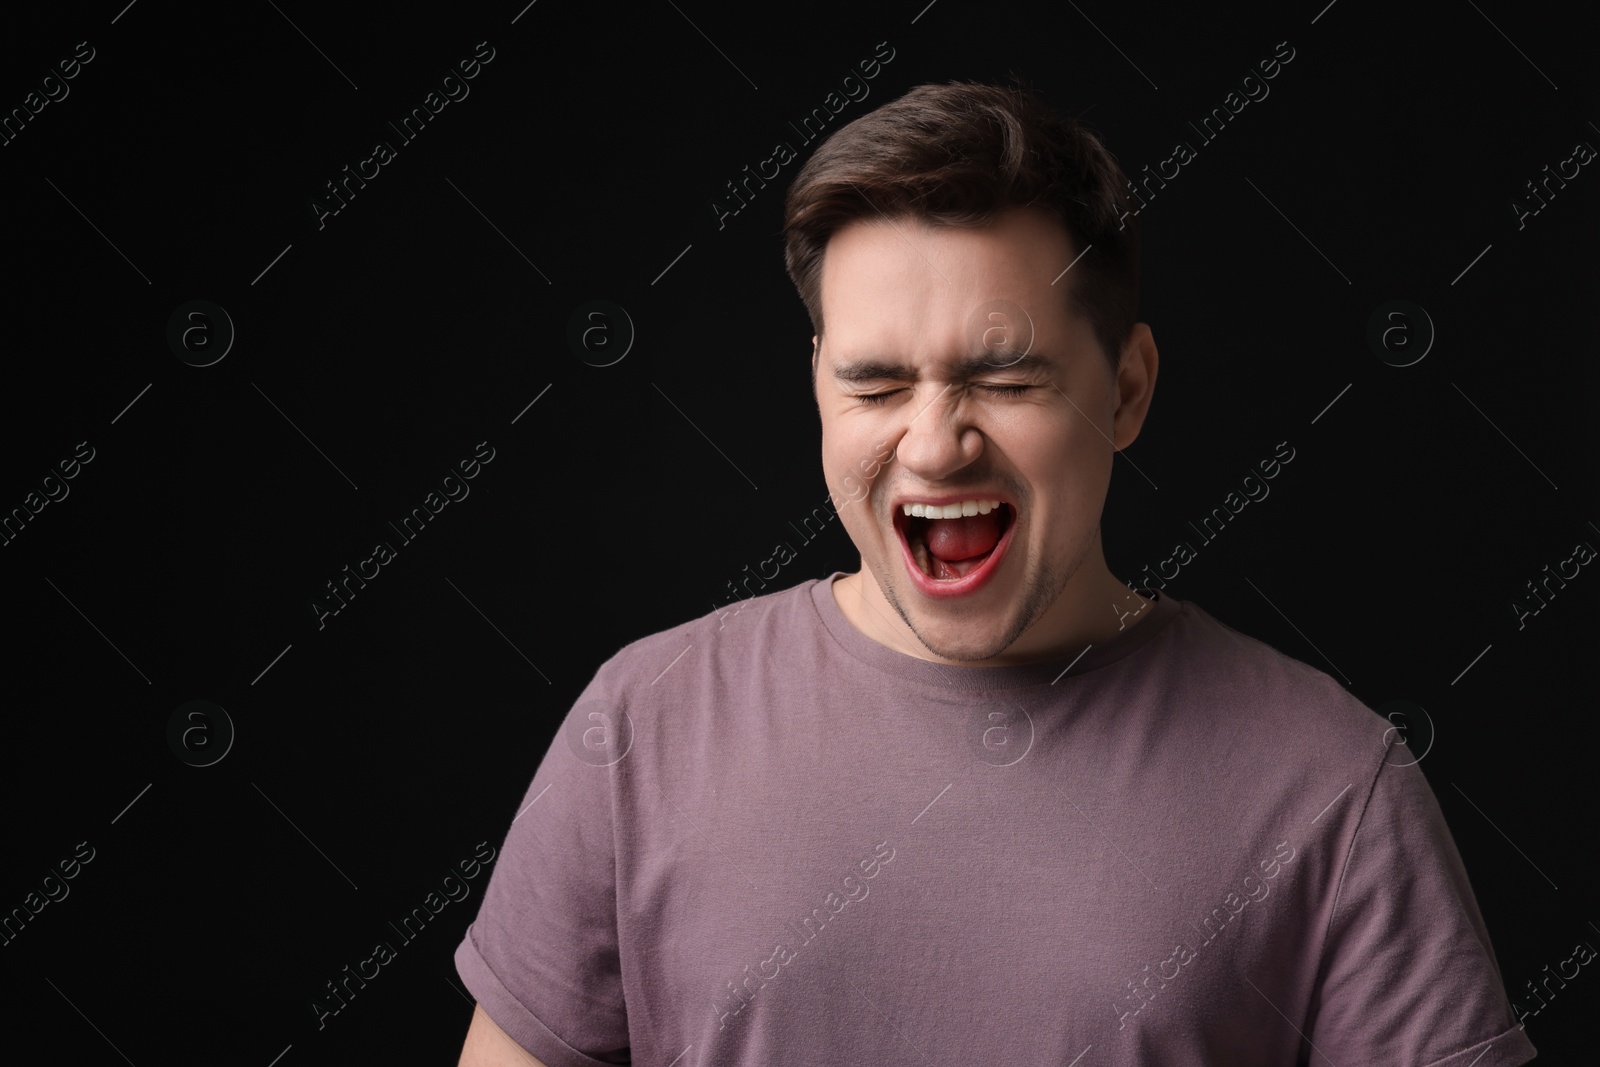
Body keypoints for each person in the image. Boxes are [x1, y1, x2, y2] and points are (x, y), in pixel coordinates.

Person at [454, 81, 1535, 1066]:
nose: (932, 444)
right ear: (818, 389)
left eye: (1003, 375)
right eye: (875, 385)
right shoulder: (637, 727)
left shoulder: (1329, 784)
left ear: (1124, 389)